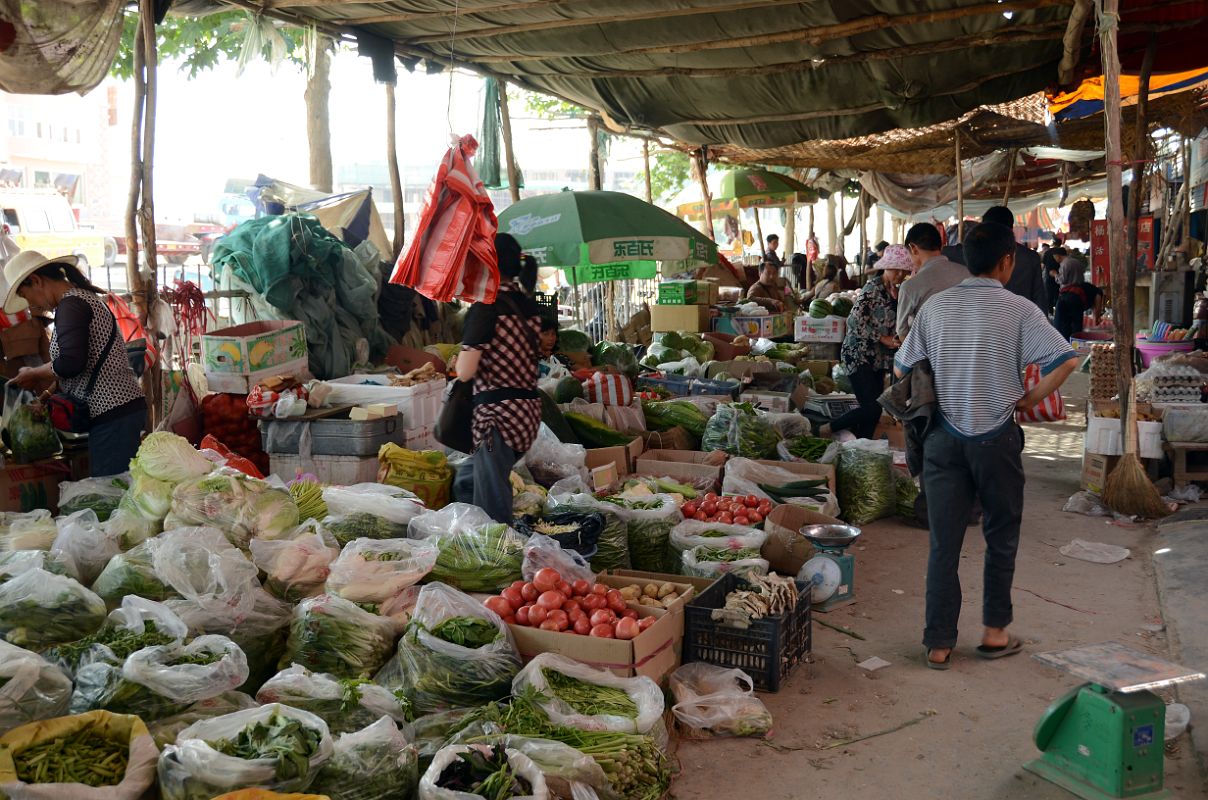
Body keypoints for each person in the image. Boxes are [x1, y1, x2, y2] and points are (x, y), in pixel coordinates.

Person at [894, 222, 1077, 670]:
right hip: (996, 438)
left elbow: (903, 367)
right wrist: (1029, 398)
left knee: (944, 544)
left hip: (942, 439)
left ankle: (938, 643)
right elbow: (1067, 358)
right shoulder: (1019, 310)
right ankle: (995, 632)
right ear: (1007, 261)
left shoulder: (936, 308)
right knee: (1001, 535)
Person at [4, 250, 145, 477]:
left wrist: (34, 372)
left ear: (37, 281)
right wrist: (44, 398)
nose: (32, 304)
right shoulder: (76, 302)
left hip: (114, 413)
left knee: (112, 492)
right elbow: (77, 368)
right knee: (115, 489)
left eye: (26, 295)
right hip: (116, 412)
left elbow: (70, 363)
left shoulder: (71, 305)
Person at [452, 233, 542, 523]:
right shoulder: (528, 305)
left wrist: (458, 359)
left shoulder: (487, 307)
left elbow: (465, 371)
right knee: (466, 480)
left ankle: (501, 555)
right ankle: (468, 534)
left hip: (498, 420)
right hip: (526, 415)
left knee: (494, 508)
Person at [820, 244, 912, 440]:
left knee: (874, 410)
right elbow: (854, 321)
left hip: (879, 358)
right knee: (871, 408)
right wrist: (882, 338)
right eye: (896, 269)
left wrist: (895, 338)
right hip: (858, 353)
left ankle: (862, 446)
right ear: (886, 267)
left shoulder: (897, 292)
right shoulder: (872, 288)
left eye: (904, 270)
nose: (900, 274)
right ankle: (826, 429)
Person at [944, 206, 1047, 312]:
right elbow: (1040, 301)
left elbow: (945, 252)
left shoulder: (971, 250)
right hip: (1018, 319)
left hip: (979, 314)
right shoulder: (1030, 258)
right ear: (1011, 230)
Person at [896, 222, 969, 337]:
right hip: (967, 348)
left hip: (931, 352)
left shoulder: (910, 286)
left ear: (913, 248)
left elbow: (902, 333)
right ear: (941, 246)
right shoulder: (968, 274)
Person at [1053, 250, 1103, 340]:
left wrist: (1055, 275)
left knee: (1062, 327)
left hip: (1064, 298)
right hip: (1073, 299)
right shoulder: (1093, 289)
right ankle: (1075, 346)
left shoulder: (1065, 264)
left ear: (1058, 255)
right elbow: (1098, 300)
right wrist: (1097, 316)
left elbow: (1062, 280)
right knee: (1076, 327)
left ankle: (1066, 347)